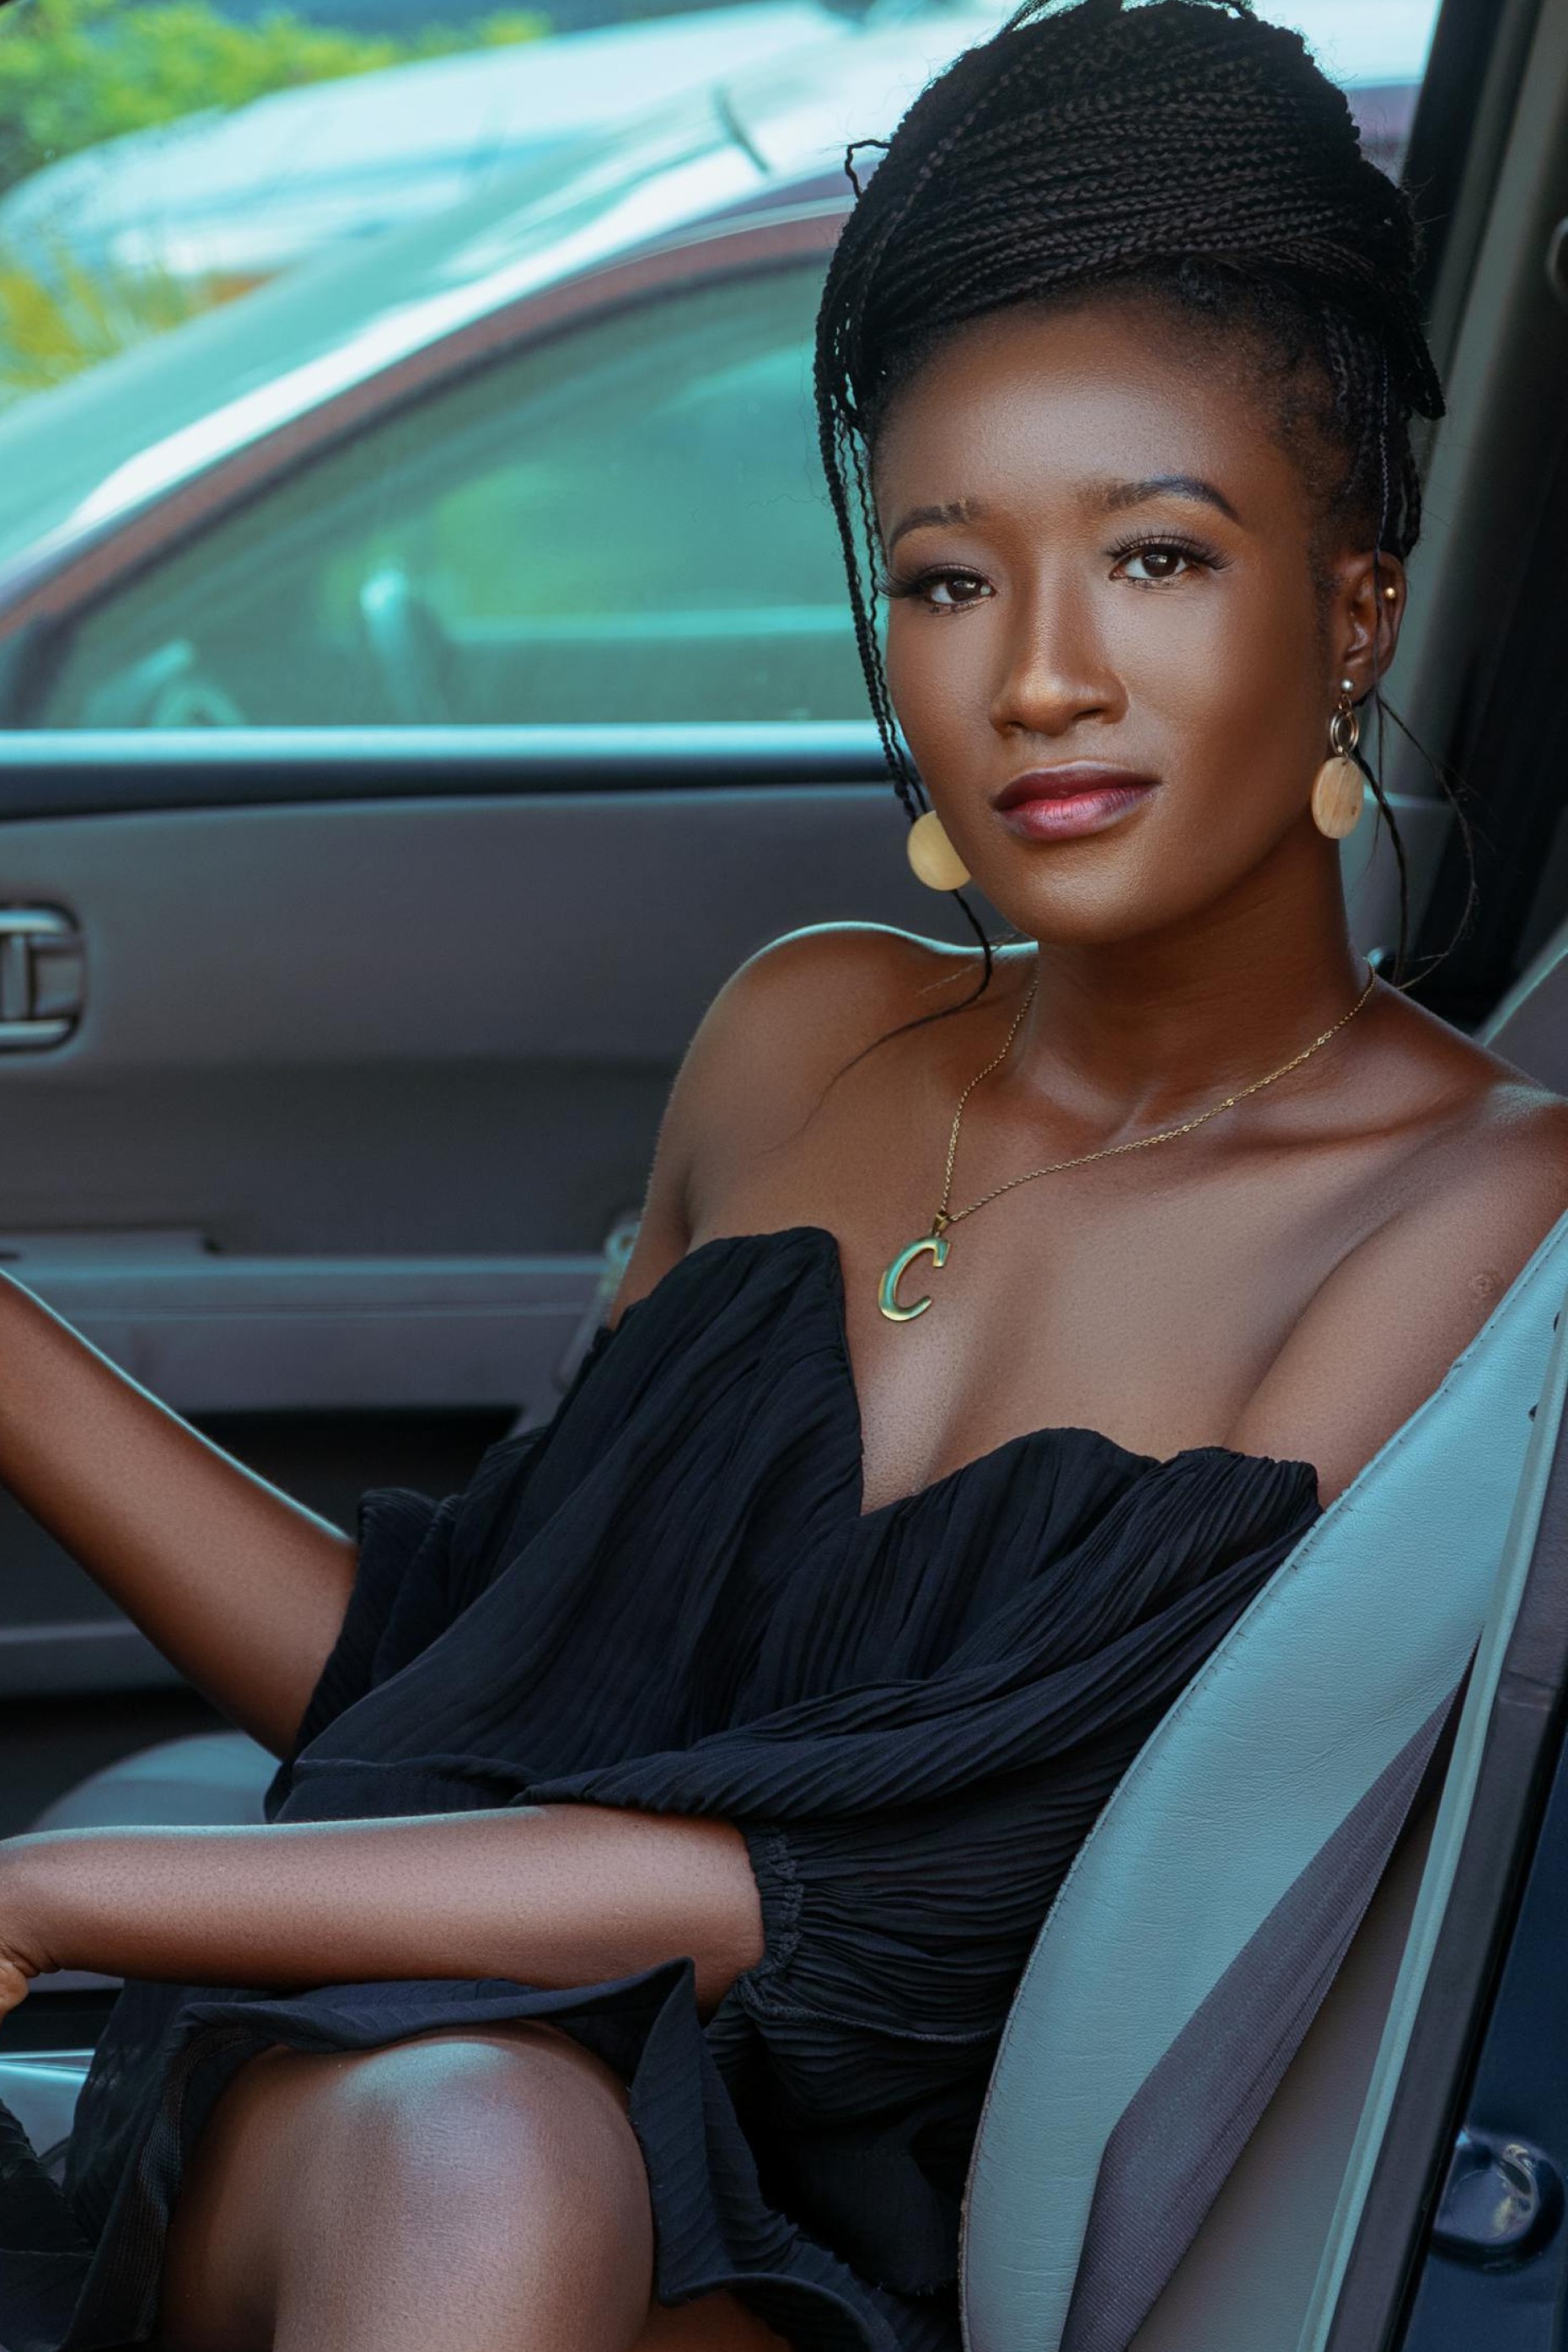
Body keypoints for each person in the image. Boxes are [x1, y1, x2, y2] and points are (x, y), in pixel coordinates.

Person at [0, 1, 1561, 2346]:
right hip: (410, 2109)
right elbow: (439, 1698)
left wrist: (73, 1890)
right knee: (474, 2136)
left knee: (491, 2162)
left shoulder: (1476, 1213)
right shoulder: (802, 1031)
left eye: (1152, 556)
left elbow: (906, 1893)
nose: (1035, 676)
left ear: (1347, 610)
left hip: (858, 2222)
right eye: (948, 579)